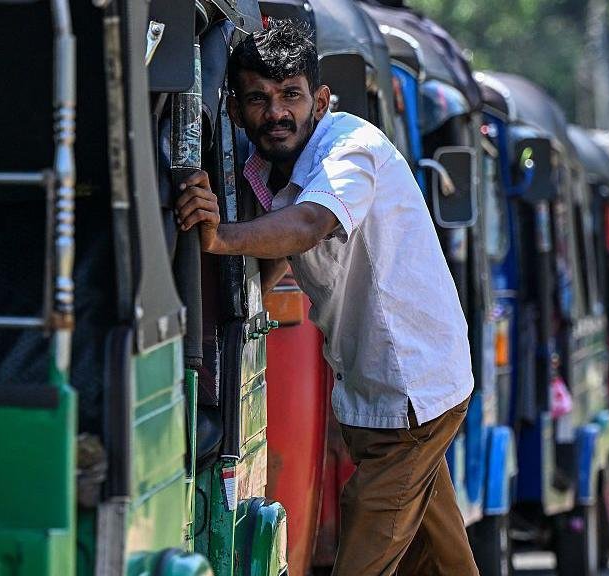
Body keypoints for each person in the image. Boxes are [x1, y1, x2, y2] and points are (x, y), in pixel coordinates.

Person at [175, 20, 477, 575]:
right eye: (258, 99)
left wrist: (220, 238)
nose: (276, 113)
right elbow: (278, 255)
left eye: (290, 95)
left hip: (413, 387)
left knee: (366, 537)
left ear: (319, 101)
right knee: (439, 558)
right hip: (377, 386)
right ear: (236, 111)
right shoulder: (264, 169)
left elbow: (310, 223)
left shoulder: (350, 149)